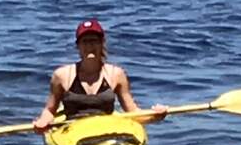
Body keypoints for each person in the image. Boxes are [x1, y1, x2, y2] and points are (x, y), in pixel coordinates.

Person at [33, 19, 166, 131]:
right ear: (77, 46)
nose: (90, 45)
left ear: (102, 44)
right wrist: (43, 121)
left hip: (106, 130)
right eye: (85, 41)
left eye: (94, 41)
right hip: (73, 131)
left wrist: (156, 115)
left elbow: (132, 112)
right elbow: (50, 110)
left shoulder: (116, 74)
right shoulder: (61, 75)